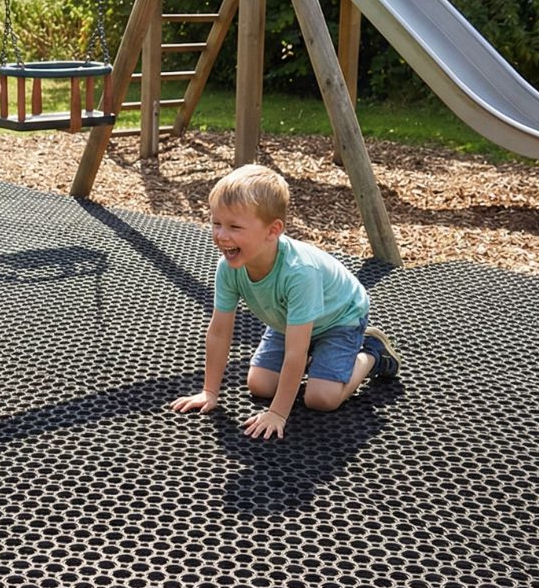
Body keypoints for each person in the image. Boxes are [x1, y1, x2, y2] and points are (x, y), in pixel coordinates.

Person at [170, 164, 400, 438]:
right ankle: (320, 359)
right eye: (216, 223)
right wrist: (209, 392)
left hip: (339, 318)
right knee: (260, 385)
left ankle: (372, 352)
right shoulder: (229, 267)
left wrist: (278, 413)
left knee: (321, 398)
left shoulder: (299, 273)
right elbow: (219, 332)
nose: (221, 235)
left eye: (234, 226)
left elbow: (295, 352)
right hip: (289, 320)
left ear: (273, 230)